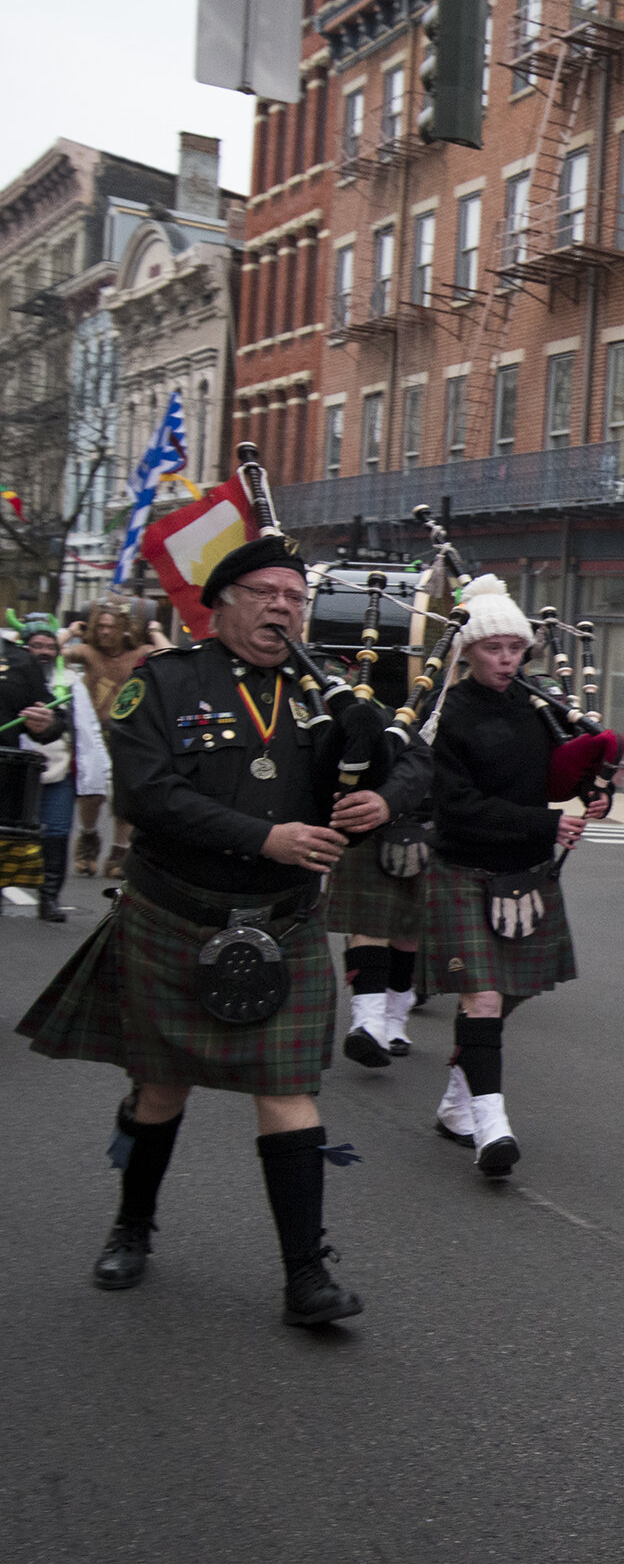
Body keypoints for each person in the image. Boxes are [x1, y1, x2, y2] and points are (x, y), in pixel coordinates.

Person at [13, 535, 369, 1326]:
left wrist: (387, 798)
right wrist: (263, 838)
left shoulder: (328, 693)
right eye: (268, 592)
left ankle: (306, 1276)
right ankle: (132, 1226)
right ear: (224, 603)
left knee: (287, 1092)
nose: (286, 606)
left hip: (283, 922)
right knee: (159, 1088)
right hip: (175, 914)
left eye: (296, 595)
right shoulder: (164, 684)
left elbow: (395, 764)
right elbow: (146, 795)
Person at [421, 574, 600, 1177]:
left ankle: (457, 1100)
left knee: (508, 997)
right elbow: (457, 807)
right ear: (469, 650)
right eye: (493, 648)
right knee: (484, 994)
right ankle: (491, 1128)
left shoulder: (537, 705)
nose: (505, 659)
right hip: (464, 866)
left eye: (515, 648)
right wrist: (544, 824)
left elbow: (562, 770)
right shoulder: (450, 714)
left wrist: (592, 784)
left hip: (524, 872)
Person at [328, 719, 433, 1067]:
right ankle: (367, 1024)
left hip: (426, 818)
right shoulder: (368, 694)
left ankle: (394, 1018)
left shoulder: (452, 696)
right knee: (368, 923)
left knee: (408, 932)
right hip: (369, 815)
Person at [61, 601, 170, 878]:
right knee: (91, 793)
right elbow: (52, 652)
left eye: (110, 627)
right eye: (100, 627)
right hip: (92, 733)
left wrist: (155, 630)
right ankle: (87, 840)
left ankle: (119, 853)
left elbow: (168, 655)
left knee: (124, 797)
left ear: (123, 629)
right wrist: (71, 631)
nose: (105, 632)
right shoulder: (88, 652)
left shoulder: (140, 653)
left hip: (127, 732)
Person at [9, 623, 78, 920]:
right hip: (15, 775)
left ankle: (49, 898)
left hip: (44, 771)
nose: (44, 652)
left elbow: (59, 723)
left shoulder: (66, 680)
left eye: (50, 646)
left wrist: (47, 722)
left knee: (55, 833)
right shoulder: (14, 666)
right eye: (38, 645)